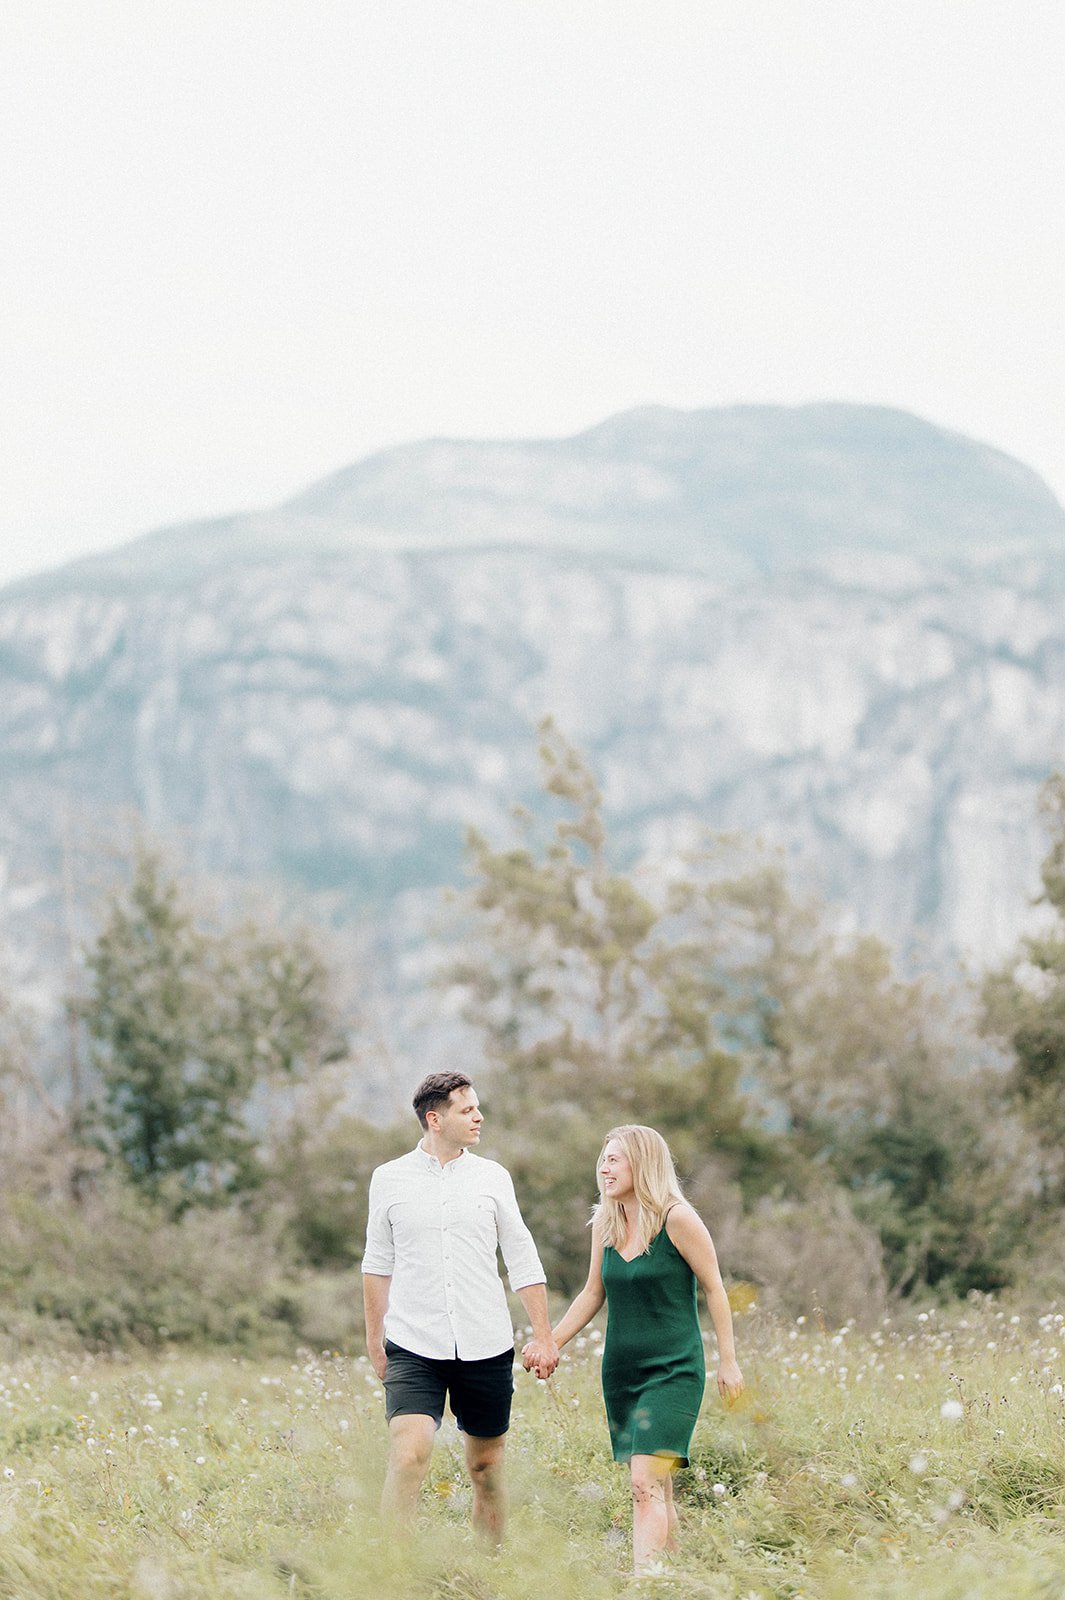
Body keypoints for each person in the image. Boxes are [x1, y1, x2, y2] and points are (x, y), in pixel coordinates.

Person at [525, 1124, 744, 1575]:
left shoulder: (677, 1219)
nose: (605, 1167)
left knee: (643, 1482)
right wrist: (550, 1343)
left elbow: (716, 1289)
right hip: (622, 1374)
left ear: (642, 1164)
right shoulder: (604, 1223)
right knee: (656, 1488)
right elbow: (591, 1293)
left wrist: (729, 1363)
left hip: (674, 1372)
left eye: (616, 1159)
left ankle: (644, 1583)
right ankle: (679, 1578)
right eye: (603, 1158)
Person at [362, 1070, 559, 1541]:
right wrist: (375, 1342)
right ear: (435, 1118)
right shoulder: (388, 1179)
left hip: (485, 1342)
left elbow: (521, 1256)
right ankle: (393, 1573)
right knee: (408, 1456)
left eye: (476, 1108)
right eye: (467, 1109)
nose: (479, 1117)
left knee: (486, 1467)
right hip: (412, 1344)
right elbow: (376, 1263)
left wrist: (544, 1334)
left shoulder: (493, 1177)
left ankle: (488, 1574)